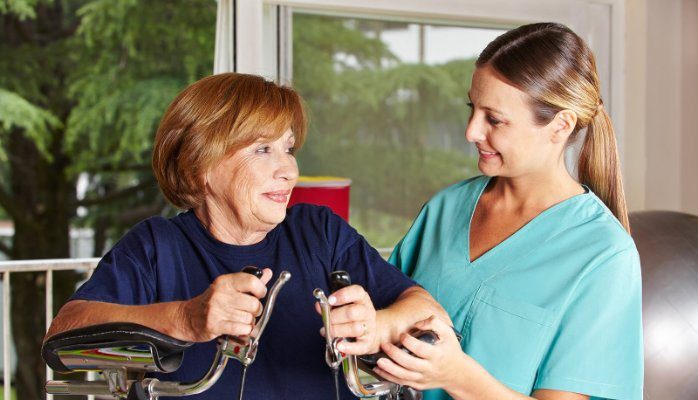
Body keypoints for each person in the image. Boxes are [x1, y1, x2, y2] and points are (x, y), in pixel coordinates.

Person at [44, 73, 447, 400]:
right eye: (262, 150)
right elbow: (62, 337)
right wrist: (186, 318)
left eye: (289, 148)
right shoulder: (156, 246)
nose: (289, 170)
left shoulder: (319, 231)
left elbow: (427, 311)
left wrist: (378, 323)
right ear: (200, 164)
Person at [376, 23, 643, 400]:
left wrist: (457, 376)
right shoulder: (446, 208)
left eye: (494, 119)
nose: (471, 131)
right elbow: (383, 319)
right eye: (473, 108)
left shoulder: (604, 256)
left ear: (560, 125)